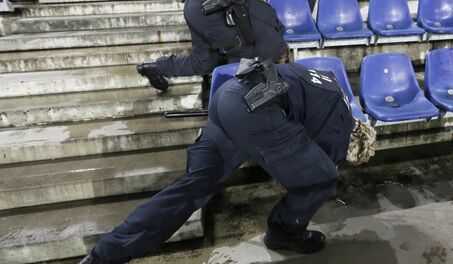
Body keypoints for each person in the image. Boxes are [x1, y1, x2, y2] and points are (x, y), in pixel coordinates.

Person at [79, 57, 375, 264]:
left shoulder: (329, 84)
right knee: (322, 178)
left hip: (229, 95)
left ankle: (105, 255)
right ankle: (285, 233)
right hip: (257, 110)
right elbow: (323, 163)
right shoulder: (339, 121)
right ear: (355, 137)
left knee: (193, 188)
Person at [137, 0, 287, 92]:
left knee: (204, 62)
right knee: (244, 52)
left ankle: (155, 68)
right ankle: (236, 101)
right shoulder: (273, 39)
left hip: (199, 9)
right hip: (209, 8)